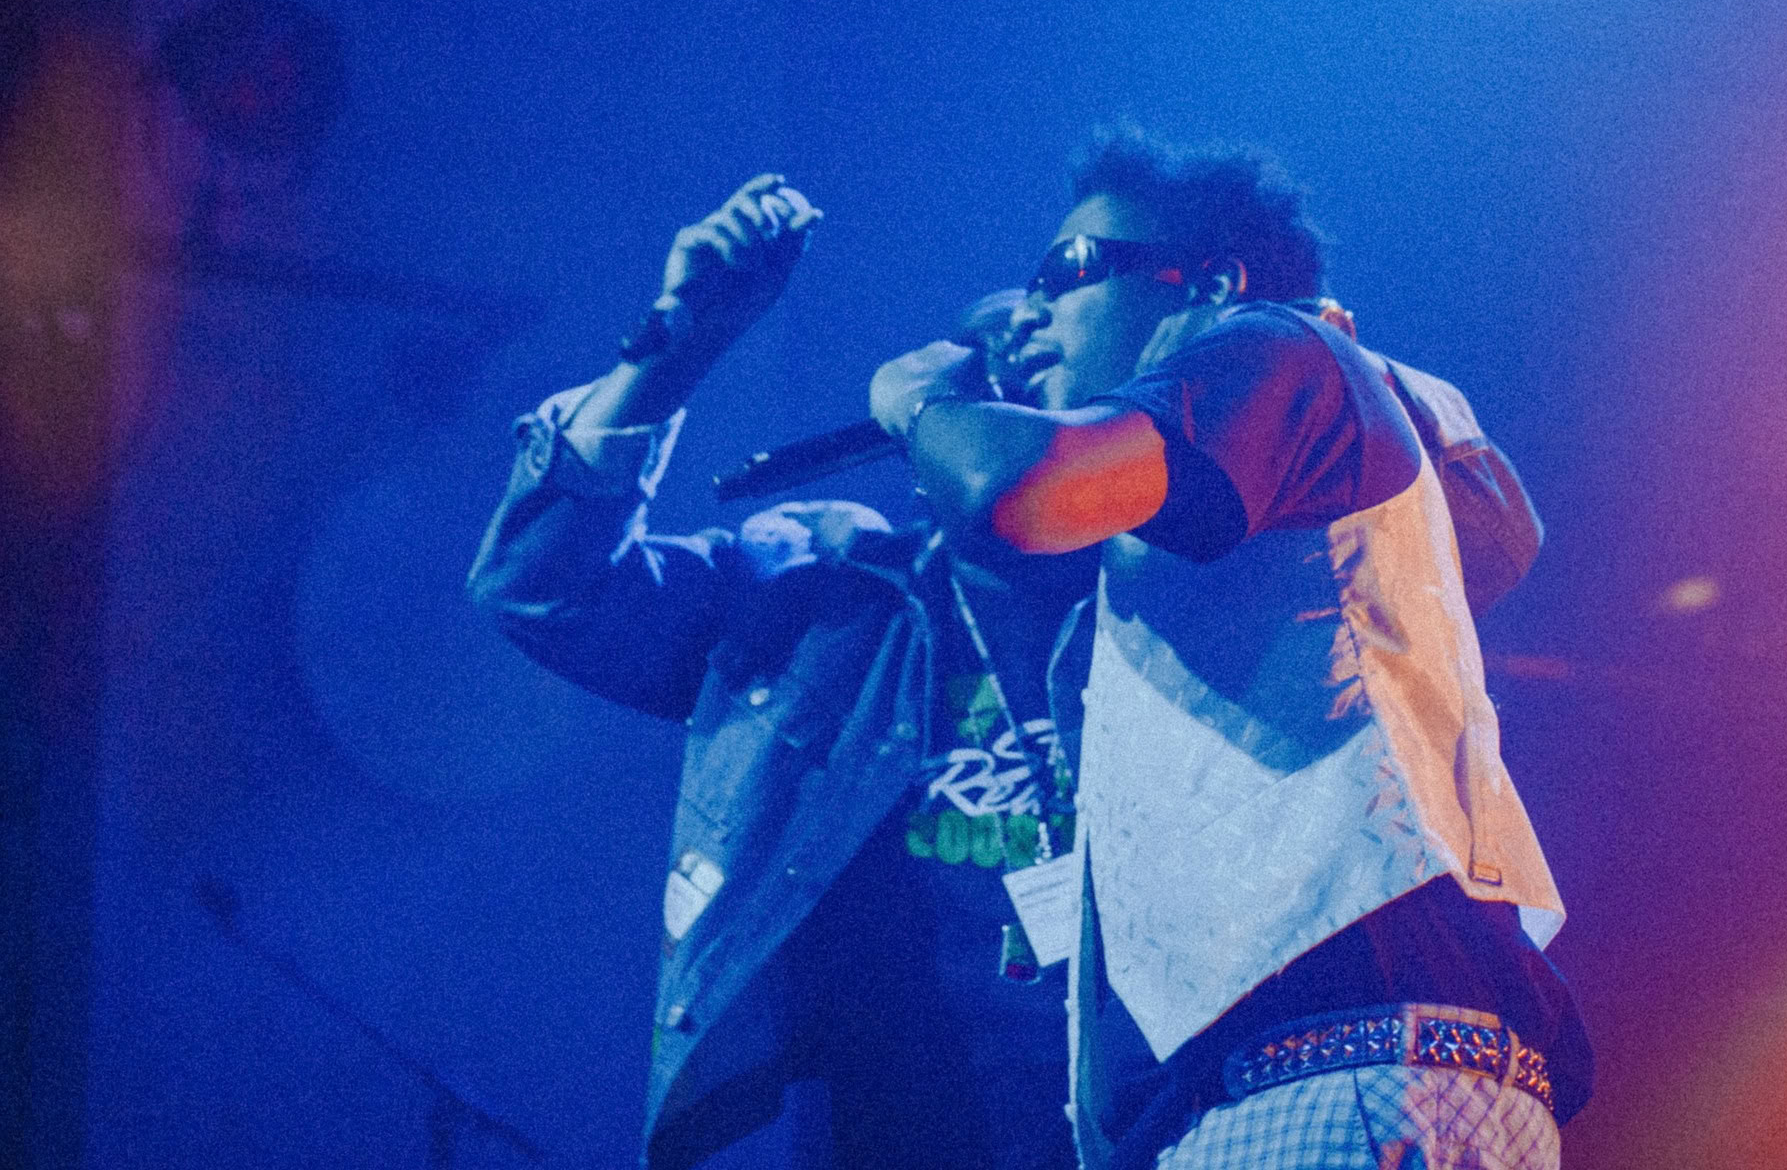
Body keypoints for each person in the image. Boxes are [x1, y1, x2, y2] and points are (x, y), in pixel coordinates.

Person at [873, 130, 1592, 1170]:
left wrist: (920, 403)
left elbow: (1011, 489)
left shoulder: (1278, 350)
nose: (1027, 311)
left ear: (1211, 282)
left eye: (1068, 272)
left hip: (1338, 1073)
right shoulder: (1224, 491)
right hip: (1308, 1087)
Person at [467, 174, 1093, 1170]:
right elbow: (540, 588)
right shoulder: (828, 593)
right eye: (995, 342)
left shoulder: (1184, 593)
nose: (1024, 344)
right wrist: (685, 340)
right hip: (892, 1132)